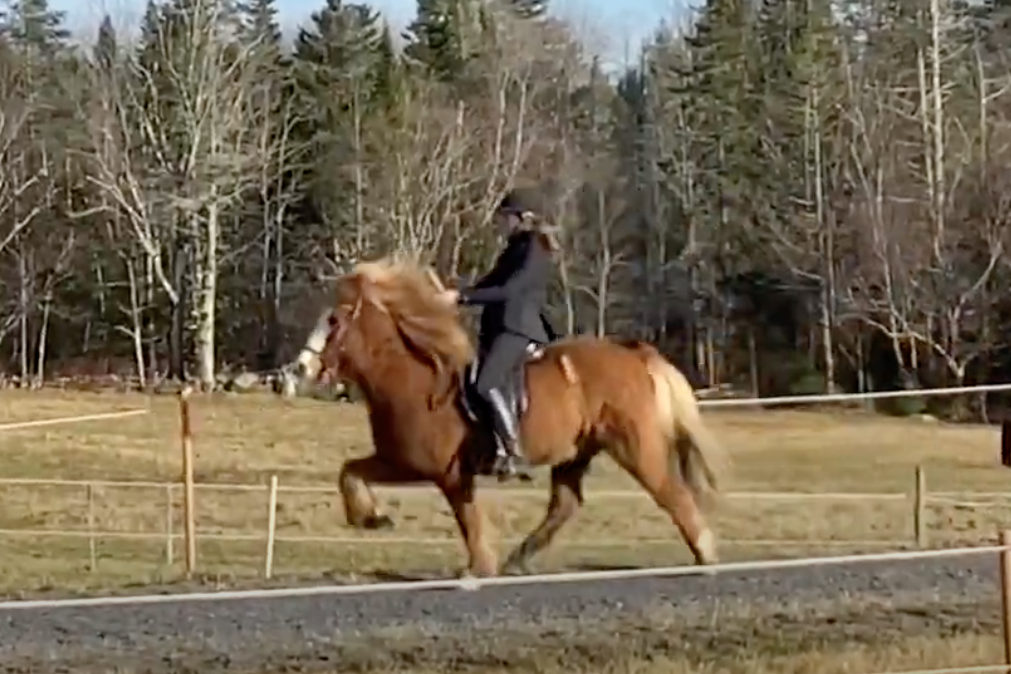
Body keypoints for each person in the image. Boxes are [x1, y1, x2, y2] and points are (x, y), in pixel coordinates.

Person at [439, 189, 558, 480]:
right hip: (499, 326)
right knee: (470, 386)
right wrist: (458, 294)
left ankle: (513, 449)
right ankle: (492, 450)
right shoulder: (515, 247)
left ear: (521, 218)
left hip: (516, 328)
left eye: (504, 218)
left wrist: (464, 299)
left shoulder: (533, 248)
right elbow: (491, 281)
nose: (500, 224)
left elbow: (509, 290)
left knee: (484, 384)